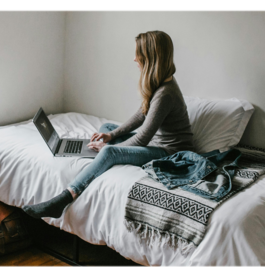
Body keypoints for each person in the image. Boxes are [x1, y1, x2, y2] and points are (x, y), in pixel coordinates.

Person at [22, 31, 195, 219]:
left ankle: (65, 198)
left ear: (150, 58)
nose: (134, 58)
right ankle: (103, 156)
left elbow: (144, 136)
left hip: (170, 153)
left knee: (109, 152)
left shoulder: (165, 94)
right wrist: (111, 137)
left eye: (139, 54)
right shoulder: (160, 82)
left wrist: (109, 148)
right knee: (107, 129)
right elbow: (141, 115)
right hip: (156, 143)